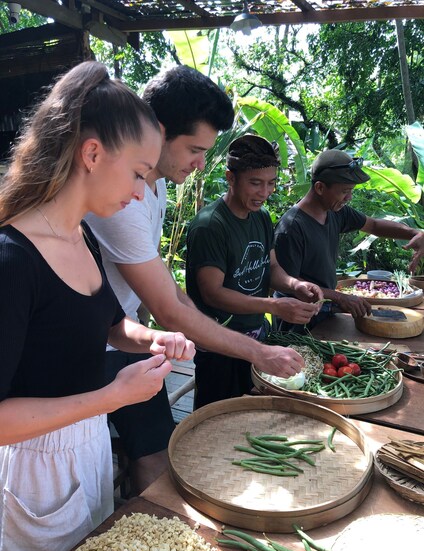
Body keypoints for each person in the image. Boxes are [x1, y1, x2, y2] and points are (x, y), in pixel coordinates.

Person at [0, 60, 195, 551]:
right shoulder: (12, 259)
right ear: (92, 153)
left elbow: (109, 325)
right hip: (32, 472)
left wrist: (149, 339)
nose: (139, 192)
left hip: (86, 449)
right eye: (137, 173)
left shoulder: (80, 234)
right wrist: (111, 396)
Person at [85, 67, 313, 495]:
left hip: (124, 335)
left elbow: (169, 293)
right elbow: (172, 306)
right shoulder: (122, 202)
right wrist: (258, 351)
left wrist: (205, 335)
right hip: (94, 349)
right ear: (157, 131)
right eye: (194, 149)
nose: (200, 163)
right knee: (145, 457)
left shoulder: (155, 189)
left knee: (157, 447)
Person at [185, 134, 323, 409]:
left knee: (250, 412)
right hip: (219, 343)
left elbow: (270, 266)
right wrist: (273, 306)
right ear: (231, 178)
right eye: (255, 183)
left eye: (271, 183)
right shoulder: (210, 226)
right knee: (216, 415)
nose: (264, 192)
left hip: (257, 339)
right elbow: (213, 294)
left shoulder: (260, 218)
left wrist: (295, 284)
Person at [273, 148, 424, 331]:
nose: (349, 197)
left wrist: (415, 232)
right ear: (320, 187)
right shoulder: (291, 228)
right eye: (345, 191)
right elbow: (289, 283)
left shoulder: (336, 211)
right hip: (296, 321)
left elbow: (374, 225)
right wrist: (339, 297)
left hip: (324, 311)